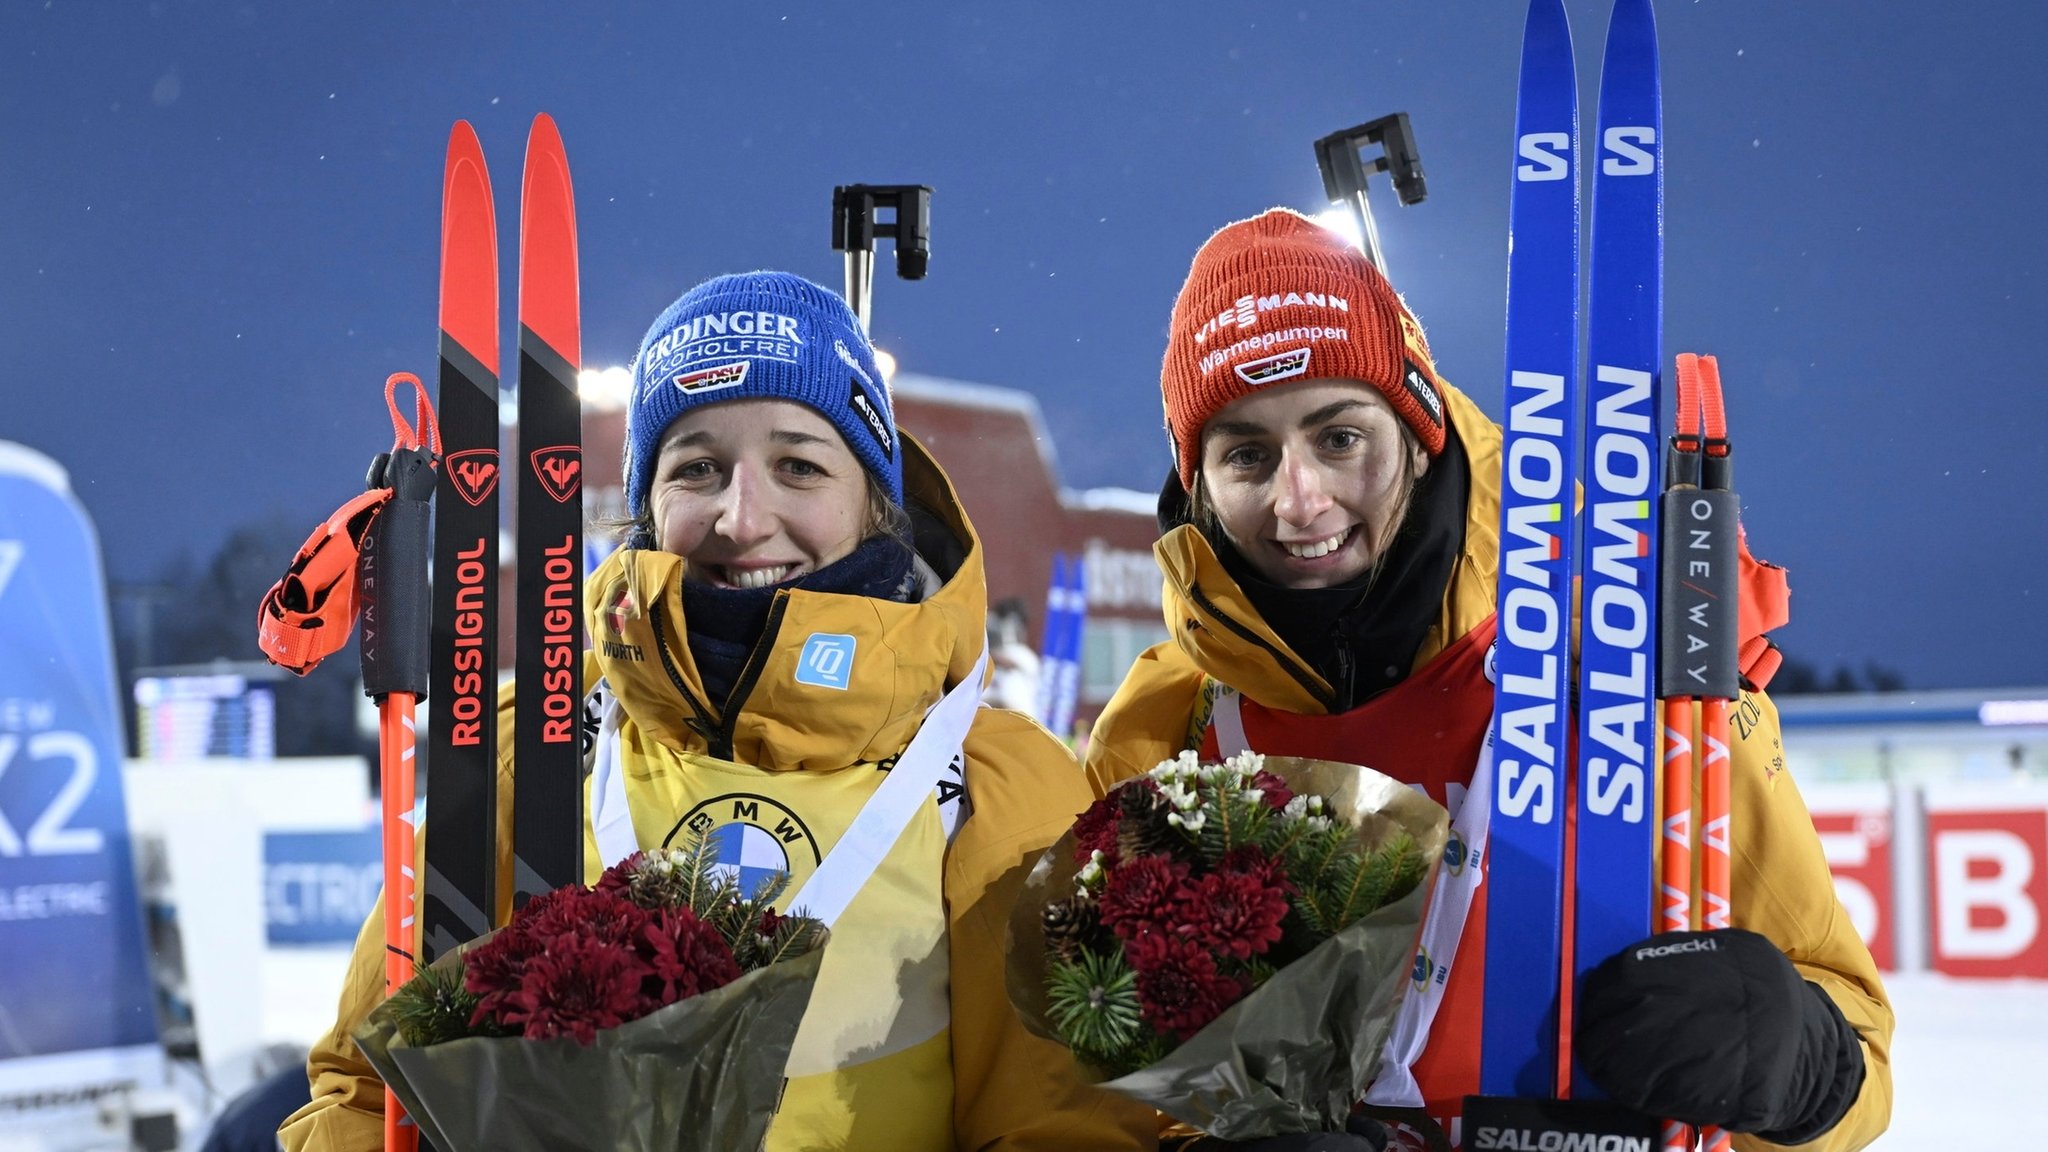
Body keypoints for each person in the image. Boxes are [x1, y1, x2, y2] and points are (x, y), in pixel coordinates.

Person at [278, 271, 1158, 1150]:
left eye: (799, 466)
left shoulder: (999, 782)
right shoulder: (533, 747)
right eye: (697, 467)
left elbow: (1068, 1127)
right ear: (647, 509)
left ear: (873, 504)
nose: (743, 517)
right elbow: (364, 1093)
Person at [1082, 210, 1893, 1152]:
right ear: (1199, 487)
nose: (1298, 499)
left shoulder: (1621, 667)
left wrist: (1792, 1058)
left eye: (1340, 437)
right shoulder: (1167, 730)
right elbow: (1101, 1081)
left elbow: (1858, 1051)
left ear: (1420, 434)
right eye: (1247, 455)